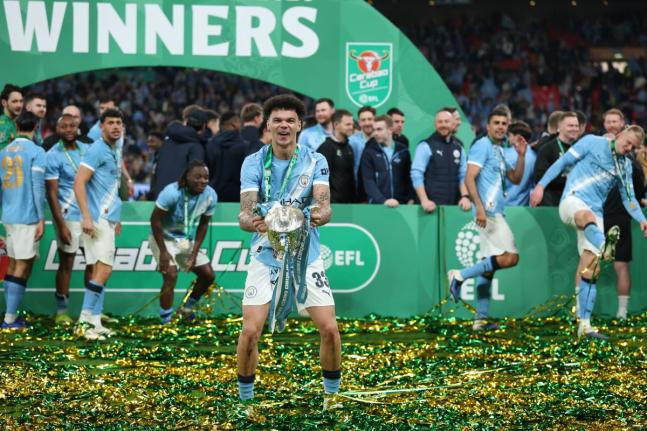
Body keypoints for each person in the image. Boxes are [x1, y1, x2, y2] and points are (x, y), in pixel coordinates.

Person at [236, 95, 341, 411]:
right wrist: (250, 221)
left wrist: (321, 214)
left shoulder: (316, 160)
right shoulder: (253, 162)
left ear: (300, 125)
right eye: (277, 120)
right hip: (266, 253)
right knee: (250, 331)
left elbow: (324, 205)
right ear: (267, 125)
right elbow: (245, 212)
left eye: (290, 120)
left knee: (330, 329)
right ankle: (245, 401)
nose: (284, 125)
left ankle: (331, 396)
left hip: (305, 252)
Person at [530, 126, 647, 339]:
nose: (627, 147)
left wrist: (642, 219)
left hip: (596, 212)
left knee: (591, 269)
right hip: (573, 200)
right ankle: (604, 245)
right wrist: (540, 186)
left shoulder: (625, 166)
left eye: (633, 147)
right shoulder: (592, 142)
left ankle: (584, 325)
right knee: (587, 217)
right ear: (620, 134)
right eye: (627, 142)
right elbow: (562, 163)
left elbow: (629, 199)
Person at [448, 108, 527, 332]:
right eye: (496, 123)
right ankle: (459, 275)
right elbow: (469, 177)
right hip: (488, 213)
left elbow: (516, 178)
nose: (501, 127)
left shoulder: (500, 150)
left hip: (495, 212)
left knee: (488, 268)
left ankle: (480, 320)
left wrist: (521, 156)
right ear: (488, 126)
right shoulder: (482, 145)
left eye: (504, 123)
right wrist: (479, 208)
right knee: (511, 257)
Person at [73, 108, 125, 340]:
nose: (115, 127)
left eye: (119, 123)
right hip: (96, 218)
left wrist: (117, 217)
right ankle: (84, 322)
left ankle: (94, 321)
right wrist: (85, 216)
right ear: (101, 126)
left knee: (97, 269)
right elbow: (79, 183)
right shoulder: (96, 149)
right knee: (104, 269)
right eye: (111, 123)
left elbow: (109, 187)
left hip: (106, 218)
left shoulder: (113, 150)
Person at [149, 160, 217, 323]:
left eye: (206, 177)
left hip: (185, 241)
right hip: (163, 238)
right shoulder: (171, 192)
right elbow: (155, 221)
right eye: (198, 177)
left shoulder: (210, 195)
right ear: (187, 177)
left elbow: (203, 225)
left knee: (208, 275)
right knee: (171, 274)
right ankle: (166, 321)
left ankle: (185, 309)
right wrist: (164, 252)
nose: (203, 181)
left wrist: (194, 253)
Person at [44, 114, 93, 324]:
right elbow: (51, 193)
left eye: (72, 125)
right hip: (68, 216)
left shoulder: (87, 150)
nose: (69, 129)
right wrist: (60, 224)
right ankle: (62, 310)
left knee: (93, 260)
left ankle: (91, 311)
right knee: (67, 262)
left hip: (88, 215)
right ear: (58, 130)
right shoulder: (53, 155)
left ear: (78, 127)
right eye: (64, 126)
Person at [0, 112, 46, 329]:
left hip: (8, 215)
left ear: (16, 126)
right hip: (27, 216)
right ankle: (9, 319)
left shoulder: (3, 152)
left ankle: (9, 316)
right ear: (35, 127)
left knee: (13, 263)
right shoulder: (37, 152)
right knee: (22, 264)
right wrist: (41, 217)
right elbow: (38, 187)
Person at [602, 109, 641, 320]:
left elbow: (635, 196)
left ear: (622, 124)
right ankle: (584, 313)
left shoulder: (631, 164)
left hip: (617, 217)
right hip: (597, 216)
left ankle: (622, 313)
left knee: (619, 265)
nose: (610, 125)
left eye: (614, 121)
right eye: (607, 121)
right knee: (589, 262)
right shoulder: (597, 155)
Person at [411, 109, 471, 213]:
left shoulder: (459, 147)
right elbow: (416, 174)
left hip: (453, 208)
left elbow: (463, 175)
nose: (443, 125)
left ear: (453, 124)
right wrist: (424, 201)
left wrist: (465, 197)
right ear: (435, 124)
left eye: (446, 121)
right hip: (429, 208)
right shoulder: (425, 145)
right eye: (440, 122)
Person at [149, 109, 207, 200]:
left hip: (160, 198)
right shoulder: (197, 147)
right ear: (204, 127)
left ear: (186, 122)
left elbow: (156, 171)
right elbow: (197, 178)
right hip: (181, 203)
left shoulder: (167, 142)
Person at [360, 115, 414, 207]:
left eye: (379, 129)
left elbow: (408, 177)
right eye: (374, 130)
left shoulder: (403, 151)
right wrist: (383, 201)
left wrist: (410, 198)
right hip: (377, 206)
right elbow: (368, 181)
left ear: (390, 130)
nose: (375, 133)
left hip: (401, 205)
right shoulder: (368, 152)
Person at [533, 112, 580, 206]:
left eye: (576, 126)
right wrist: (566, 178)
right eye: (570, 126)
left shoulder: (580, 148)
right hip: (552, 203)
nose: (574, 129)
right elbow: (539, 177)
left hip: (573, 202)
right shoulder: (547, 149)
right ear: (559, 128)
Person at [205, 112, 247, 202]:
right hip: (238, 198)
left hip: (214, 195)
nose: (241, 125)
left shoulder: (210, 145)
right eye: (239, 122)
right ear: (234, 124)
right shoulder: (244, 146)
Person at [317, 109, 357, 203]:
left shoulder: (349, 147)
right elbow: (321, 180)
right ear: (336, 125)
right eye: (347, 124)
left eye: (352, 124)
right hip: (332, 205)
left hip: (350, 205)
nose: (351, 127)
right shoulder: (325, 148)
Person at [504, 121, 536, 206]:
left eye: (509, 135)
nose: (508, 138)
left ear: (517, 137)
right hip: (523, 207)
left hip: (504, 206)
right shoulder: (535, 156)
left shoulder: (504, 154)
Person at [349, 106, 376, 177]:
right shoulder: (352, 141)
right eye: (363, 120)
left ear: (375, 120)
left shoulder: (382, 139)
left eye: (369, 119)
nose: (367, 123)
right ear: (359, 122)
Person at [0, 84, 24, 150]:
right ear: (4, 103)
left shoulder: (14, 123)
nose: (19, 105)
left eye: (21, 101)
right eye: (14, 101)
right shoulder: (3, 125)